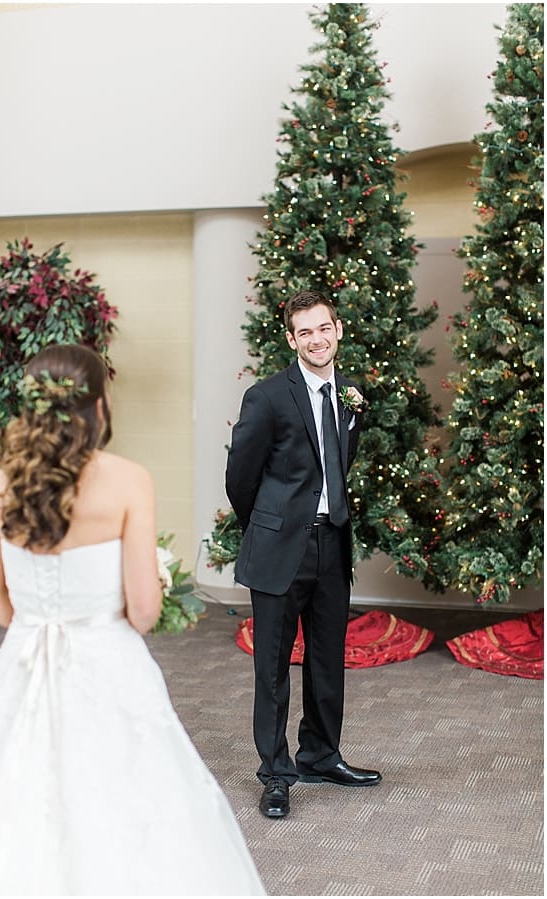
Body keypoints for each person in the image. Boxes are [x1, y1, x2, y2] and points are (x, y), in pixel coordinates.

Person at [0, 344, 265, 896]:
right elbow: (143, 610)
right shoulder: (127, 481)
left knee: (13, 801)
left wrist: (37, 625)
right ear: (99, 404)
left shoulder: (3, 483)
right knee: (129, 802)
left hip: (21, 666)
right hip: (107, 661)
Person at [225, 289, 381, 821]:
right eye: (305, 332)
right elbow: (240, 477)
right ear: (291, 340)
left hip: (332, 543)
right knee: (271, 666)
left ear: (337, 330)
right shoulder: (266, 397)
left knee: (325, 659)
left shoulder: (351, 394)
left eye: (324, 328)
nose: (317, 339)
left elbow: (341, 462)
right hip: (278, 548)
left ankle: (320, 754)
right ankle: (276, 773)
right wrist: (267, 527)